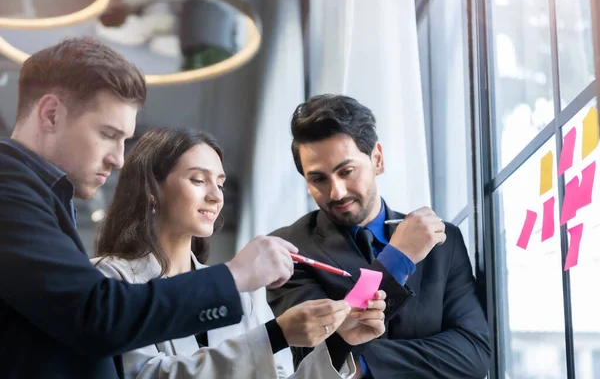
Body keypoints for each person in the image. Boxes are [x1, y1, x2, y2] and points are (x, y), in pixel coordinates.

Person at [0, 37, 300, 379]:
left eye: (124, 139)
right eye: (107, 133)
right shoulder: (8, 187)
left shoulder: (42, 196)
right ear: (51, 114)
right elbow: (97, 317)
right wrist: (237, 275)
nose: (118, 158)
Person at [91, 127, 388, 378]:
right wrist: (275, 335)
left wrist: (338, 343)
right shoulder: (108, 278)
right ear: (150, 189)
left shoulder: (234, 295)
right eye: (198, 179)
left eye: (220, 183)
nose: (215, 195)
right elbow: (145, 374)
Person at [267, 94, 491, 378]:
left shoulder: (443, 241)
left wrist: (359, 363)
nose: (336, 192)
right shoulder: (289, 252)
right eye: (318, 179)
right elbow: (318, 360)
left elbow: (473, 355)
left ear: (377, 159)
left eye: (346, 171)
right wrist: (398, 259)